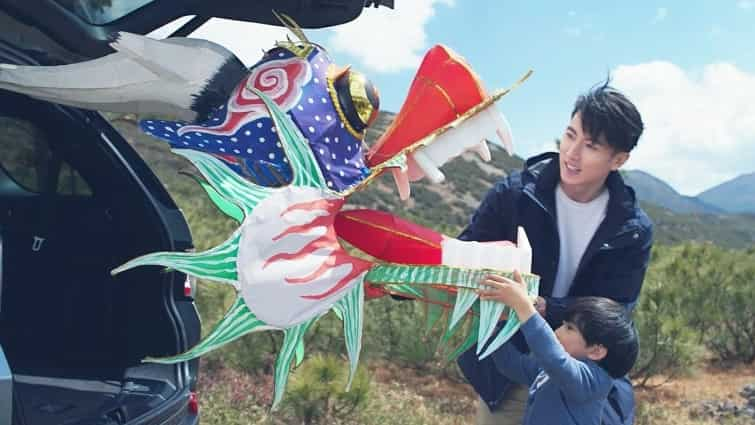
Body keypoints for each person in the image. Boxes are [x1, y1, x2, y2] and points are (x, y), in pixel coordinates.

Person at [457, 81, 653, 425]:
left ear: (618, 159)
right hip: (510, 371)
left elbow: (617, 311)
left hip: (579, 380)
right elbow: (466, 252)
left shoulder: (632, 229)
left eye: (590, 145)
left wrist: (544, 307)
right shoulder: (514, 195)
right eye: (570, 135)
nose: (572, 153)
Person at [478, 271, 639, 425]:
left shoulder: (592, 382)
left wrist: (524, 307)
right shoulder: (554, 370)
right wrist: (493, 330)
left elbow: (554, 358)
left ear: (596, 351)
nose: (557, 331)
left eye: (569, 328)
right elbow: (513, 365)